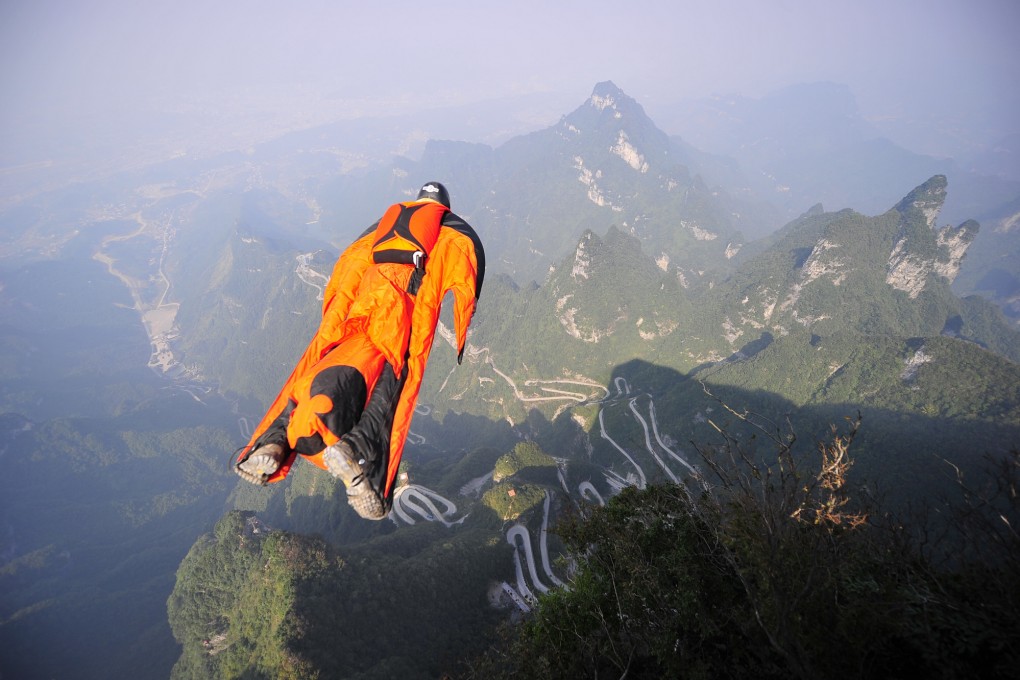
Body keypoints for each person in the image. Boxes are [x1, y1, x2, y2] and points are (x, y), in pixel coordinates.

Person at [234, 182, 485, 520]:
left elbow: (348, 267)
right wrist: (461, 324)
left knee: (326, 367)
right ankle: (358, 448)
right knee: (392, 384)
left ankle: (276, 438)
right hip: (396, 312)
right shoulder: (446, 229)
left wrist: (332, 320)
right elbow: (469, 265)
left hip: (359, 307)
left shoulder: (384, 225)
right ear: (443, 206)